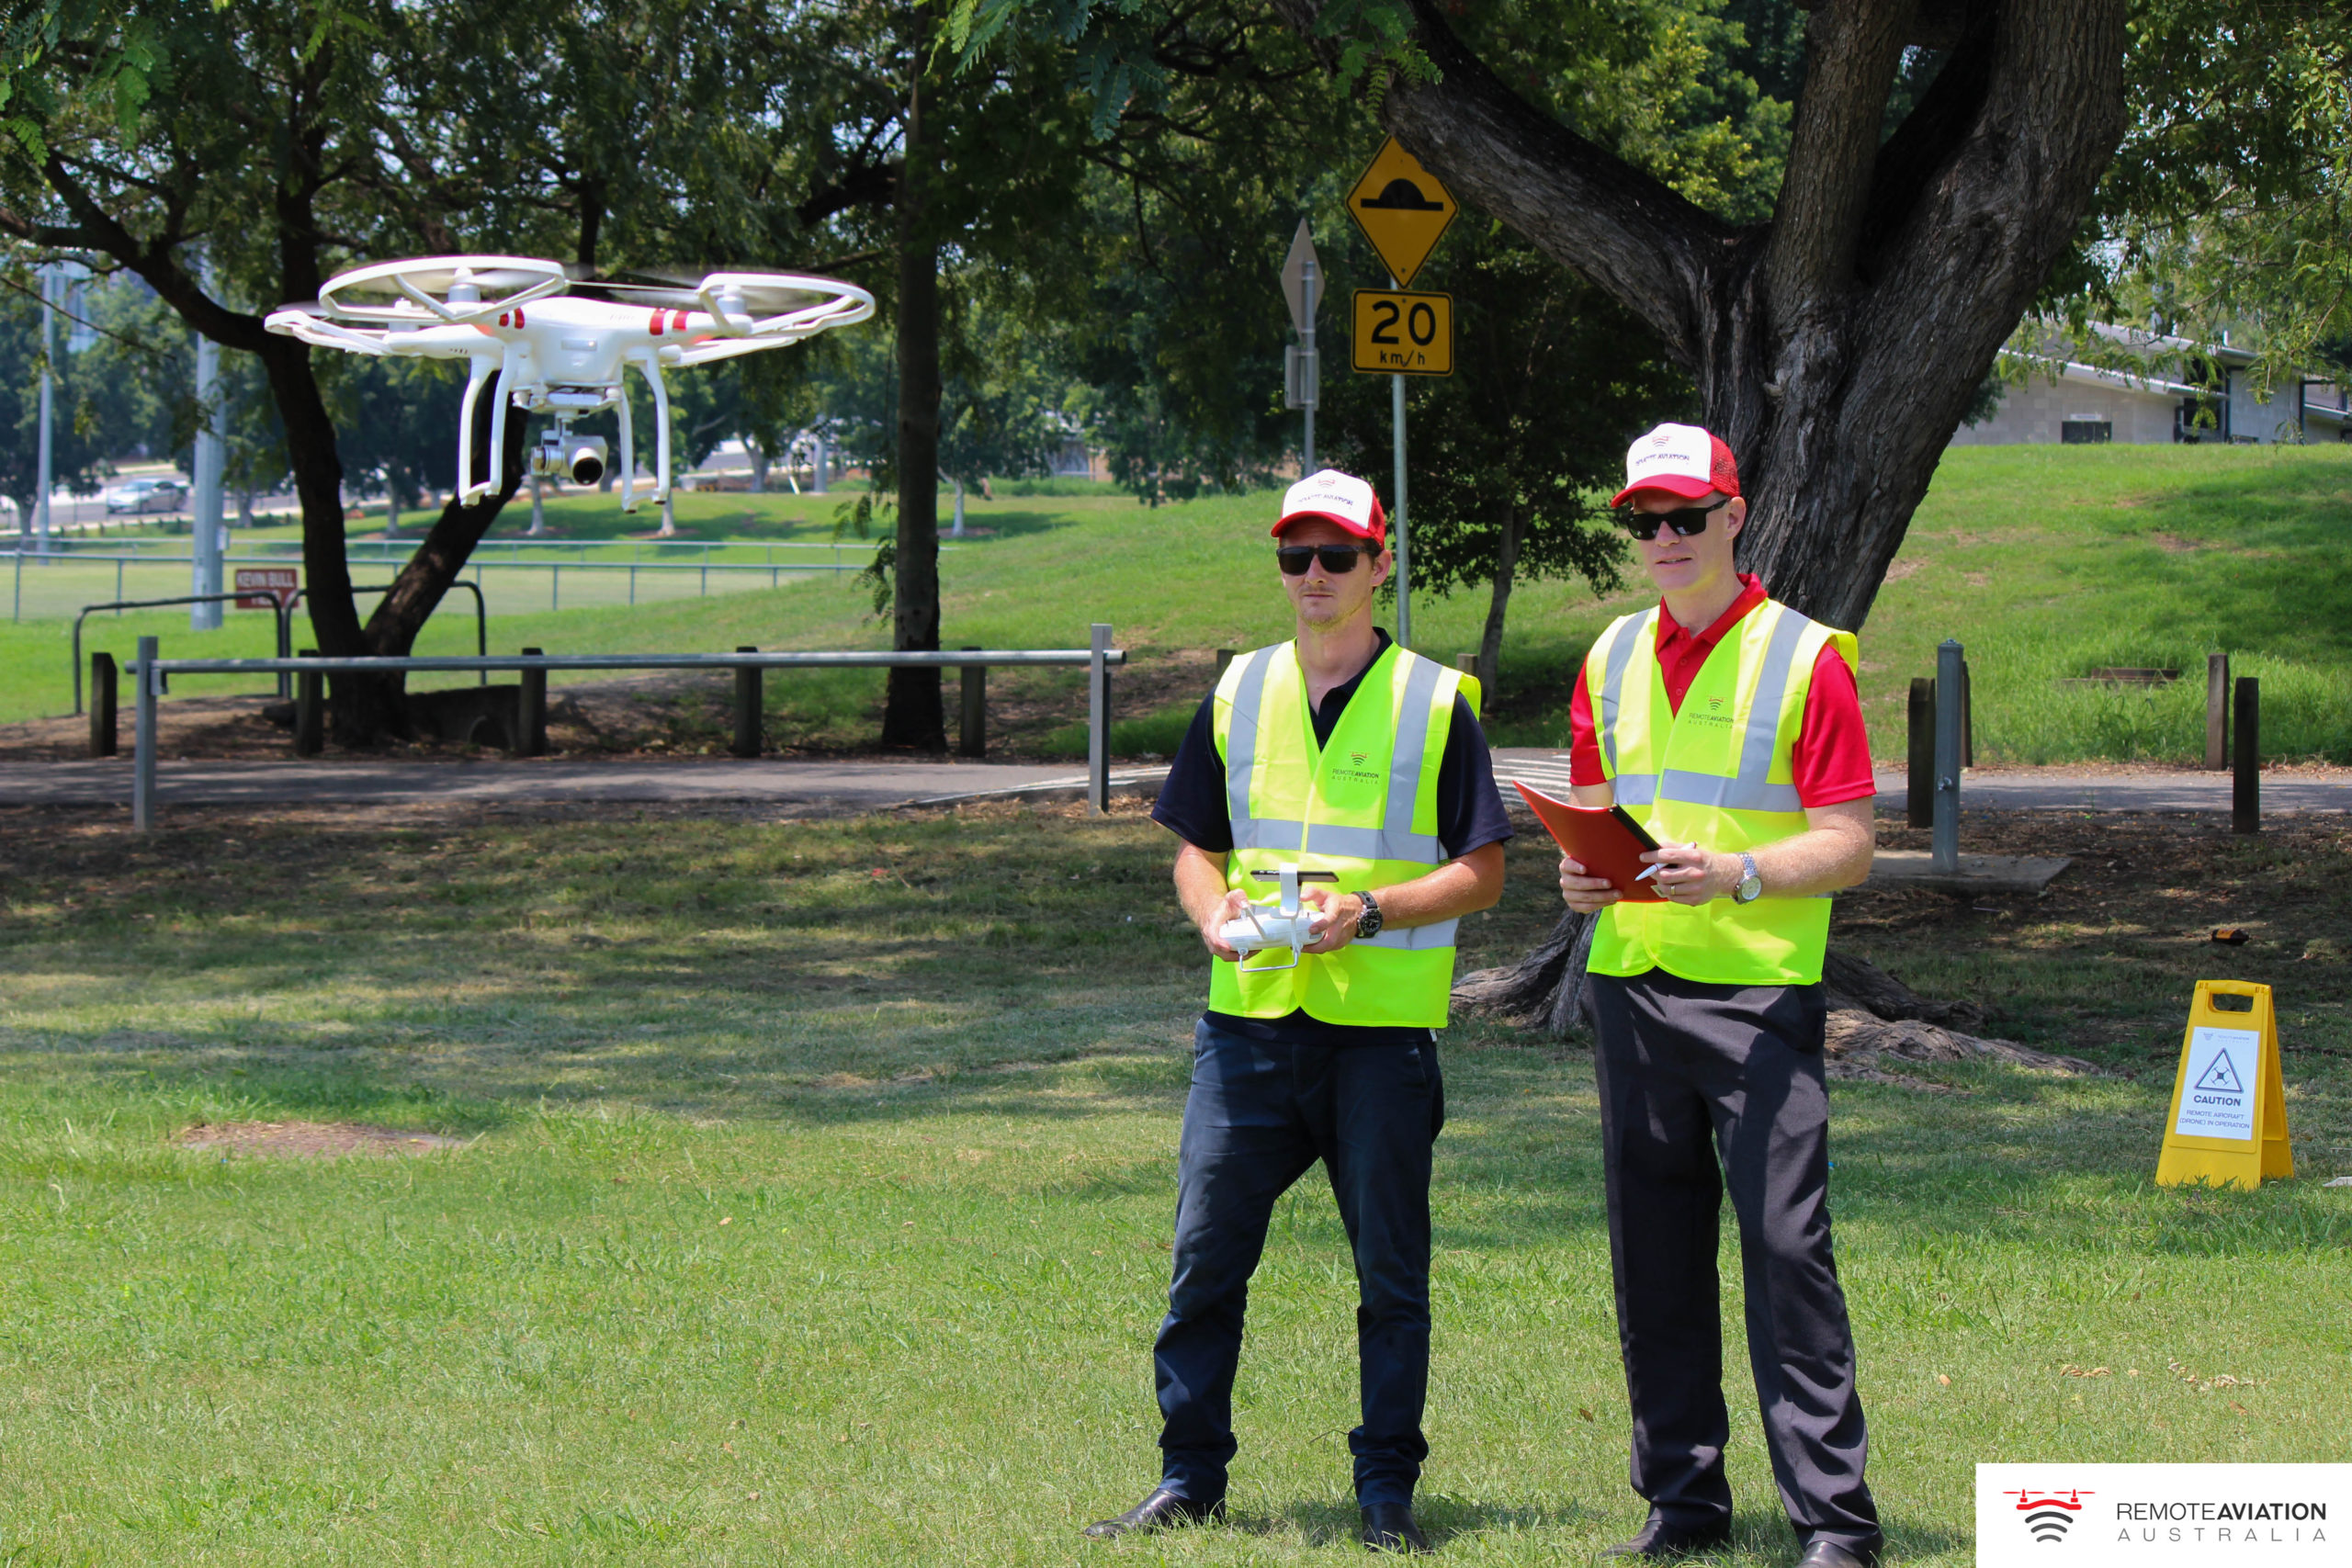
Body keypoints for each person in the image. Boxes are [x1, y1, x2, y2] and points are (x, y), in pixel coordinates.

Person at [1084, 469, 1511, 1555]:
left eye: (1335, 555)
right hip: (1248, 1028)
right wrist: (1207, 911)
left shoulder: (1433, 698)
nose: (1313, 576)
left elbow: (1485, 870)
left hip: (1378, 1037)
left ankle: (1385, 1495)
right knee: (1203, 1258)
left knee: (1390, 1278)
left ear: (1381, 564)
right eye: (1294, 556)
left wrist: (1368, 912)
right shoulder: (1239, 690)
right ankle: (1189, 1479)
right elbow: (1193, 846)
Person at [1556, 423, 1883, 1568]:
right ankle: (1683, 1506)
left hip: (1756, 997)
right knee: (1653, 1255)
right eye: (1643, 520)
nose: (1662, 539)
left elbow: (1850, 843)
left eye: (1684, 518)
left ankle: (1835, 1526)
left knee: (1787, 1250)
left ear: (1733, 517)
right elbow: (1602, 819)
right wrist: (1581, 875)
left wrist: (1740, 871)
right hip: (1631, 988)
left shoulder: (1807, 658)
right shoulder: (1605, 659)